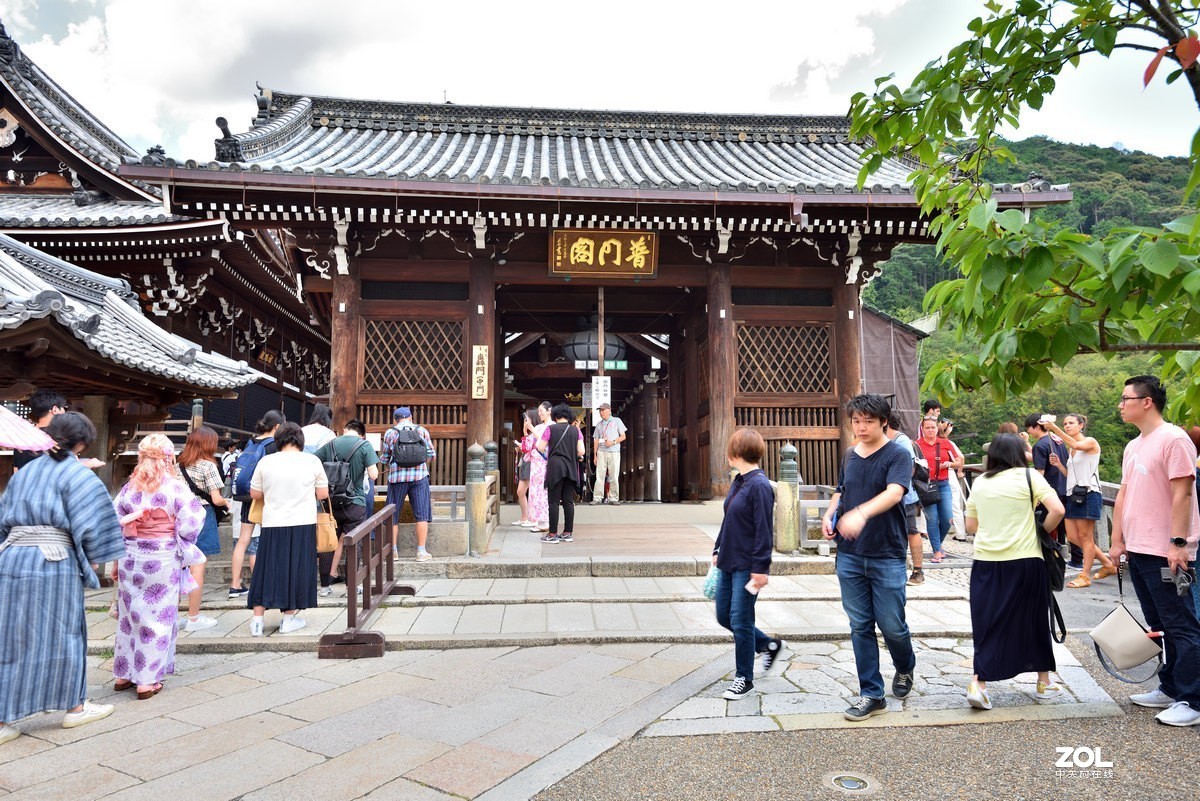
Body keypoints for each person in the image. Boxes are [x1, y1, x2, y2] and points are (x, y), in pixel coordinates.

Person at [0, 413, 125, 744]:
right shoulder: (79, 476)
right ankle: (75, 707)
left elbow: (2, 521)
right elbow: (98, 530)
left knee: (9, 636)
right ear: (83, 443)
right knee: (64, 631)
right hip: (52, 561)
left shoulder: (23, 475)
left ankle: (3, 720)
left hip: (11, 558)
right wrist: (97, 559)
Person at [1109, 375, 1200, 727]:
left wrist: (1179, 543)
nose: (1121, 404)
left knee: (1181, 623)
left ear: (1146, 402)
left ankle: (1192, 699)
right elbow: (1124, 497)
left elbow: (1184, 494)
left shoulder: (1174, 439)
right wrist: (1117, 542)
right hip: (1139, 548)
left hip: (1167, 549)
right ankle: (1170, 686)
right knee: (1159, 624)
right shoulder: (1135, 445)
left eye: (1125, 398)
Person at [823, 394, 916, 721]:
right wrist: (832, 512)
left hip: (886, 554)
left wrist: (861, 514)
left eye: (868, 421)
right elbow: (841, 489)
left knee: (892, 625)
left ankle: (905, 666)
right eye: (856, 421)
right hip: (849, 555)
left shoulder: (898, 454)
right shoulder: (849, 454)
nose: (861, 427)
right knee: (860, 625)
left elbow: (894, 493)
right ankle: (871, 693)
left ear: (883, 423)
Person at [963, 434, 1066, 710]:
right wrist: (1040, 529)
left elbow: (971, 525)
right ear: (1020, 453)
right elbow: (1058, 509)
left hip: (986, 562)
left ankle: (979, 683)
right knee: (1034, 620)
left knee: (987, 623)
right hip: (1025, 561)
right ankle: (1044, 682)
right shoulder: (1030, 477)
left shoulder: (981, 482)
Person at [112, 434, 206, 699]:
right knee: (157, 618)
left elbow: (114, 516)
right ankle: (146, 680)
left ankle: (123, 675)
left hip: (130, 556)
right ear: (168, 458)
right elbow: (192, 522)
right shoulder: (174, 487)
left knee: (131, 616)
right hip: (162, 558)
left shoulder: (129, 488)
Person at [712, 428, 783, 700]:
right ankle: (767, 644)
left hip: (748, 564)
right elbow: (728, 517)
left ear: (738, 453)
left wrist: (761, 569)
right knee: (724, 616)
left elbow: (764, 530)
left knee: (741, 620)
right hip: (728, 559)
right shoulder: (739, 481)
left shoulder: (760, 486)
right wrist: (717, 547)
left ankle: (744, 678)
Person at [247, 421, 328, 636]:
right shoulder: (312, 461)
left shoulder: (267, 461)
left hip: (273, 522)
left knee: (265, 570)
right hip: (303, 522)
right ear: (300, 440)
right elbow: (323, 494)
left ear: (279, 439)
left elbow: (255, 493)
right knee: (297, 569)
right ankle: (288, 618)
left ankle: (257, 621)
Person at [1040, 414, 1117, 588]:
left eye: (1071, 423)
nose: (1067, 426)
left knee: (1085, 536)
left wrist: (1054, 429)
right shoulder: (1071, 450)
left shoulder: (1090, 442)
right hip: (1074, 494)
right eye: (1065, 424)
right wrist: (1060, 465)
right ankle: (1106, 563)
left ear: (1081, 425)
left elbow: (1075, 444)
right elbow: (1072, 475)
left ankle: (1085, 575)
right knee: (1074, 537)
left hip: (1088, 494)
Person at [313, 418, 379, 594]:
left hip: (331, 502)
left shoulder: (331, 444)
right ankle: (351, 585)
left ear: (344, 429)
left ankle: (325, 586)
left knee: (328, 541)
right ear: (362, 434)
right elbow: (373, 475)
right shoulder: (364, 446)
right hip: (354, 501)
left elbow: (313, 462)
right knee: (353, 542)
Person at [177, 426, 232, 631]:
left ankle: (173, 616)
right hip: (201, 513)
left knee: (178, 564)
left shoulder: (178, 464)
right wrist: (227, 503)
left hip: (179, 515)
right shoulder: (208, 466)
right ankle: (193, 618)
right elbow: (216, 499)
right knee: (197, 565)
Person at [229, 410, 283, 598]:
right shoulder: (273, 446)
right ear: (277, 426)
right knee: (269, 539)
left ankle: (235, 584)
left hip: (247, 497)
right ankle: (266, 582)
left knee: (243, 540)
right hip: (267, 498)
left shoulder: (251, 443)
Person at [1025, 413, 1082, 568]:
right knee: (1067, 528)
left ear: (1036, 426)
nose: (1029, 432)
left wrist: (1035, 496)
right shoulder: (1057, 440)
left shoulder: (1040, 445)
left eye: (1029, 428)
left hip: (1049, 492)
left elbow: (1039, 473)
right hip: (1064, 487)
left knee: (1044, 526)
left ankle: (1048, 558)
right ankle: (1076, 559)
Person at [380, 406, 436, 561]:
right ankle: (421, 551)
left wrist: (393, 467)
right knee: (421, 515)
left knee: (393, 515)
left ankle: (393, 551)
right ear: (411, 417)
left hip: (397, 479)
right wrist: (421, 465)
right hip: (419, 478)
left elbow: (385, 458)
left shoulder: (390, 433)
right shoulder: (422, 431)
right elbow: (432, 454)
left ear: (395, 419)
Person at [11, 389, 104, 471]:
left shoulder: (22, 438)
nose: (64, 412)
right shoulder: (60, 436)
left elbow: (16, 471)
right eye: (64, 408)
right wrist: (89, 464)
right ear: (55, 409)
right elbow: (66, 470)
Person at [537, 403, 586, 543]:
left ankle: (552, 534)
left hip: (555, 468)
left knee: (553, 502)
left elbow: (540, 447)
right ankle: (567, 532)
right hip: (571, 467)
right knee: (568, 501)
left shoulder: (550, 429)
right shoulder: (576, 431)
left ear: (555, 416)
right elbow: (581, 451)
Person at [885, 414, 924, 586]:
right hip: (887, 495)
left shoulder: (901, 441)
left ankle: (918, 570)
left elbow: (908, 468)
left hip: (904, 495)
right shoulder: (883, 440)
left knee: (910, 530)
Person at [915, 417, 960, 563]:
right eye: (927, 428)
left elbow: (959, 460)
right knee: (932, 518)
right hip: (925, 485)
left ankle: (938, 546)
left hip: (943, 483)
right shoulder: (917, 445)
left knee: (947, 518)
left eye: (933, 427)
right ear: (922, 429)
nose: (930, 430)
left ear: (937, 428)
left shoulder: (945, 443)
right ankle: (937, 551)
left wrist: (950, 464)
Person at [592, 402, 627, 505]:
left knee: (614, 475)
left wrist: (613, 442)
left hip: (614, 451)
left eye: (603, 410)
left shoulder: (617, 421)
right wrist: (595, 455)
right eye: (600, 410)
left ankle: (613, 498)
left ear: (609, 410)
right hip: (601, 451)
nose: (601, 412)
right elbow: (596, 440)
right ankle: (597, 497)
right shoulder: (599, 424)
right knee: (599, 475)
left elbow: (623, 436)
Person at [527, 404, 551, 533]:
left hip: (544, 462)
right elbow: (531, 443)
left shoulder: (551, 426)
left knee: (543, 491)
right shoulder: (539, 426)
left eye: (541, 411)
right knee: (535, 490)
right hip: (536, 463)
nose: (540, 414)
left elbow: (544, 442)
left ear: (549, 411)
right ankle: (539, 520)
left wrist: (532, 430)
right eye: (539, 412)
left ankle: (545, 521)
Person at [515, 413, 535, 527]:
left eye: (527, 419)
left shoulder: (537, 432)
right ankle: (524, 517)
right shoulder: (530, 433)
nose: (525, 421)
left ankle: (529, 518)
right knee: (521, 491)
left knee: (525, 491)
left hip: (531, 463)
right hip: (526, 462)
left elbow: (528, 448)